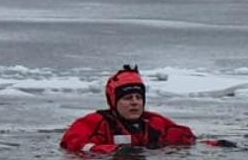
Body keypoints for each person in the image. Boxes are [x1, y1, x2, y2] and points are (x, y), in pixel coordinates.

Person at [60, 65, 212, 153]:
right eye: (127, 98)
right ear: (114, 102)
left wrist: (215, 144)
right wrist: (112, 151)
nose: (135, 103)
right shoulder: (94, 122)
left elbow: (186, 140)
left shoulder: (154, 122)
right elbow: (71, 145)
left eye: (138, 98)